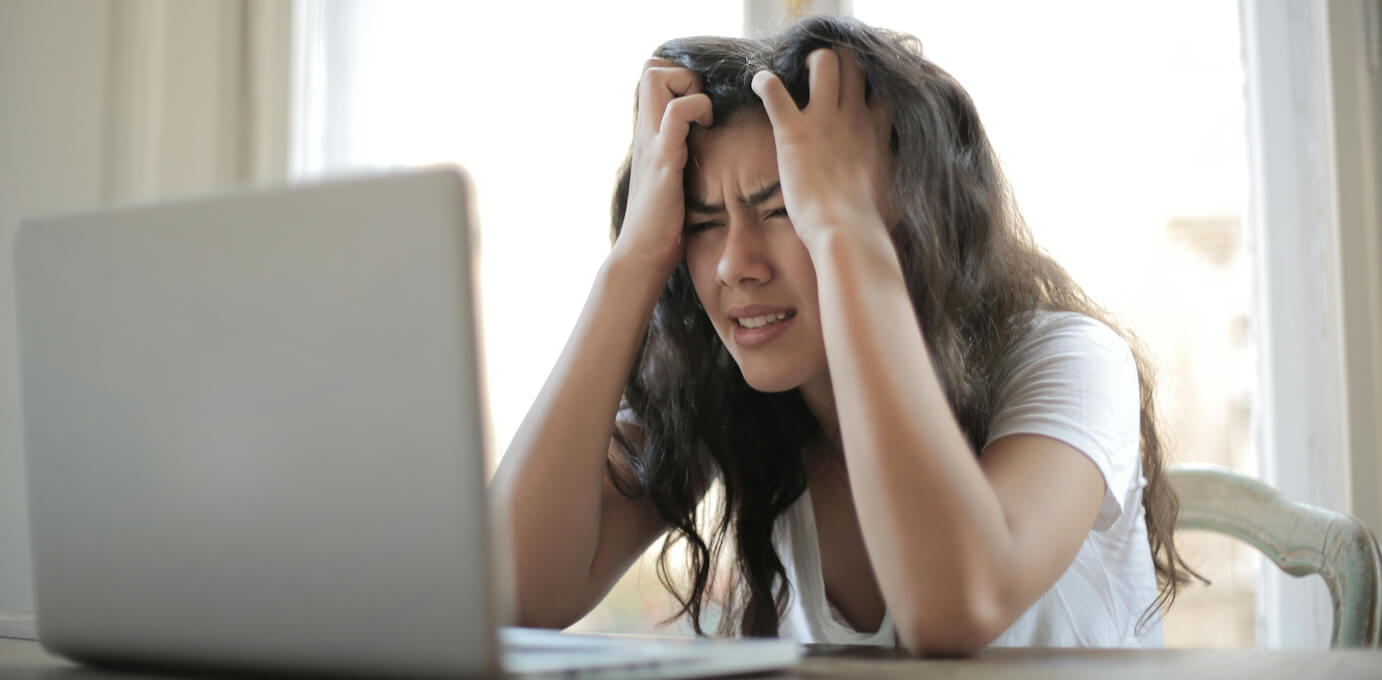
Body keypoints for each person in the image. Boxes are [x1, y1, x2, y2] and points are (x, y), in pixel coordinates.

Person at [490, 15, 1198, 654]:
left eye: (786, 209)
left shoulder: (1070, 360)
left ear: (906, 216)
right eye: (702, 224)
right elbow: (511, 594)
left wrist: (844, 231)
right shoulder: (733, 395)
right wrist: (635, 258)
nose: (736, 265)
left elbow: (954, 608)